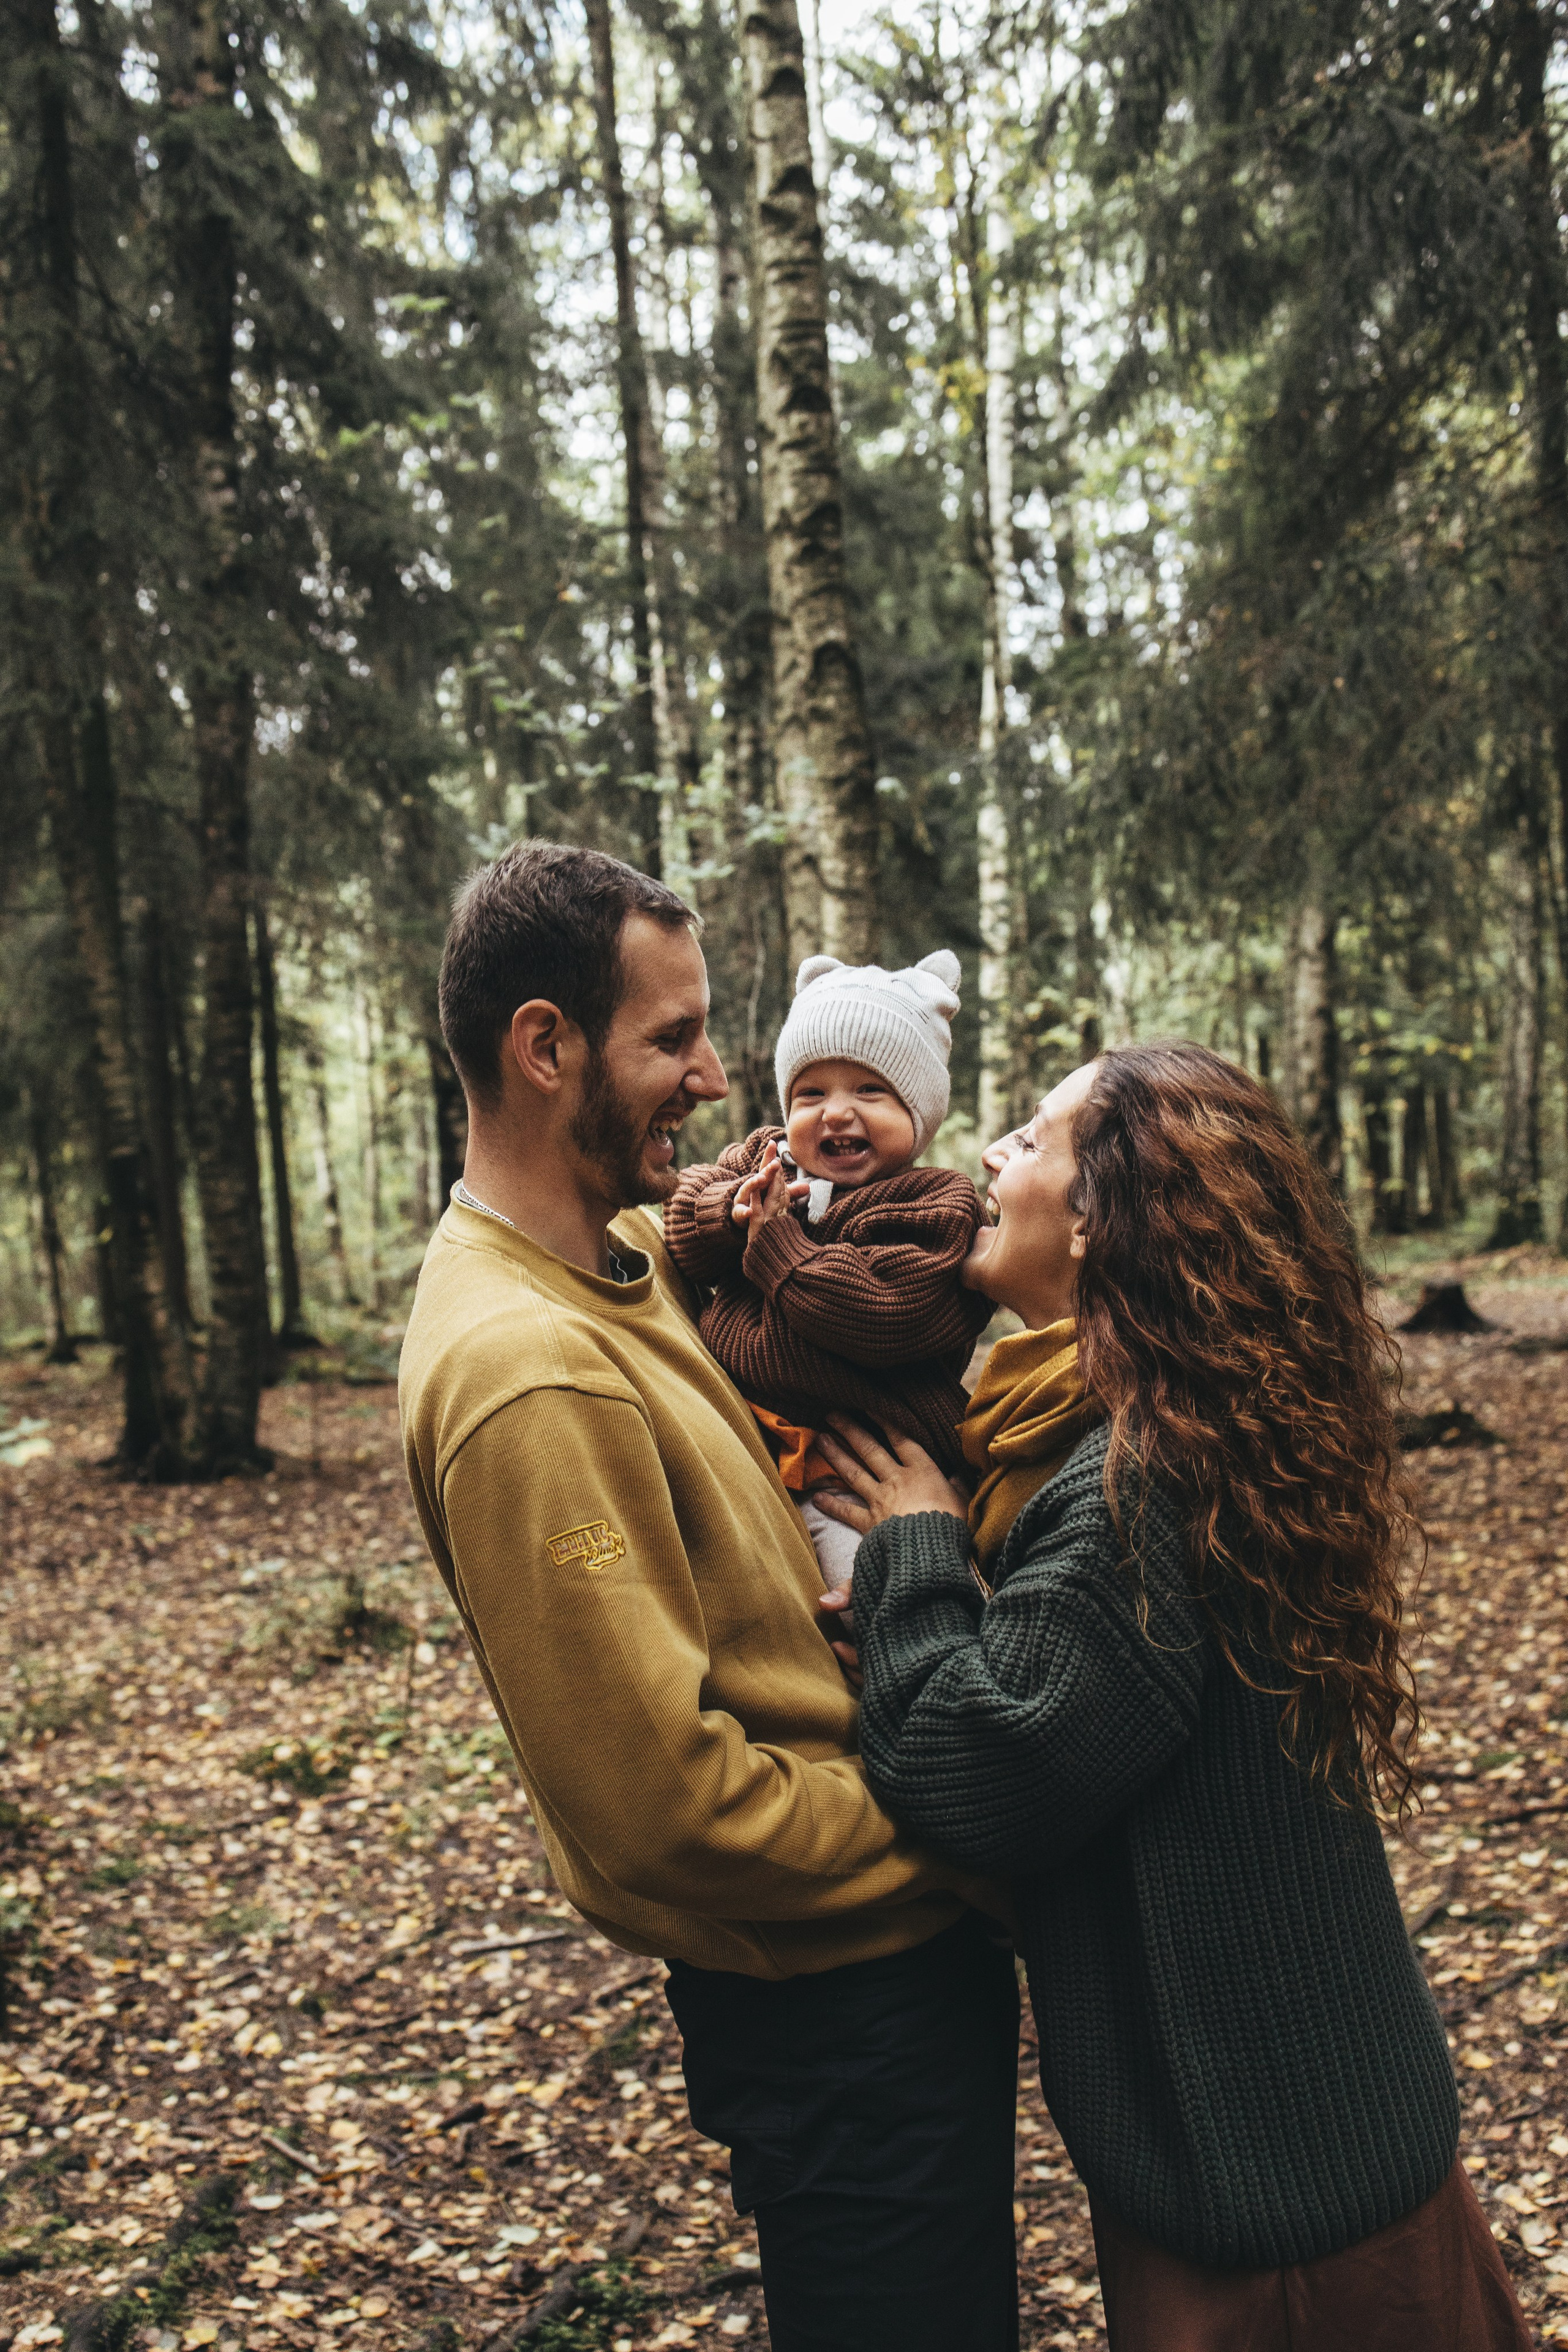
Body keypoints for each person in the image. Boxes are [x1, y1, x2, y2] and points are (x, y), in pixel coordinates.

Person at [815, 1043, 1534, 2351]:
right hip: (1319, 2147)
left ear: (1099, 1223)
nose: (991, 1156)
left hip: (1277, 2220)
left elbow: (982, 1772)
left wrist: (911, 1555)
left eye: (1031, 1140)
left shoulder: (1131, 1484)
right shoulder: (1182, 1424)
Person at [397, 842, 1020, 2352]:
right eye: (670, 1038)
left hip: (884, 1965)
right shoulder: (522, 1369)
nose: (713, 1076)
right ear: (543, 1047)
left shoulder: (622, 1250)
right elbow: (663, 1809)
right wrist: (957, 1835)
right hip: (838, 2001)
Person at [663, 948, 992, 1605]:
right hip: (746, 1446)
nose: (835, 1112)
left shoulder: (937, 1207)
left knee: (870, 1606)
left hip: (862, 1472)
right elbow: (683, 1220)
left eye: (870, 1091)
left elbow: (885, 1311)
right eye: (811, 1093)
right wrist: (729, 1215)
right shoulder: (767, 1161)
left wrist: (777, 1246)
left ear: (919, 1112)